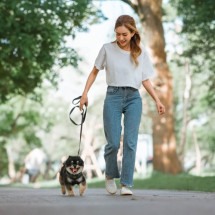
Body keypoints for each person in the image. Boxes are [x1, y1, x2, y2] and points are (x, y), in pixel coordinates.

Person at [80, 15, 165, 195]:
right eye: (118, 34)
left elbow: (146, 80)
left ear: (133, 32)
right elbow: (94, 72)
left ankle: (126, 184)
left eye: (125, 34)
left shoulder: (141, 53)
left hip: (134, 98)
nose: (121, 38)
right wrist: (84, 94)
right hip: (113, 96)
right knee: (112, 142)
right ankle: (110, 175)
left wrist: (157, 100)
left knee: (130, 142)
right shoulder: (107, 49)